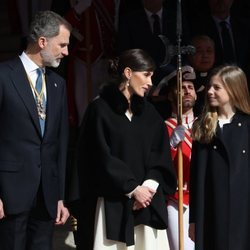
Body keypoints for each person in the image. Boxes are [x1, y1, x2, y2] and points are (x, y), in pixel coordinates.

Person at [76, 48, 177, 250]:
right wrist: (132, 189)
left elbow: (160, 155)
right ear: (128, 73)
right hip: (112, 204)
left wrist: (146, 189)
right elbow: (99, 156)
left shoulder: (150, 114)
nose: (150, 83)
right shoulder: (100, 110)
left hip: (147, 206)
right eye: (146, 75)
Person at [0, 10, 71, 250]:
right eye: (62, 44)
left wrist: (60, 195)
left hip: (47, 196)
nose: (66, 52)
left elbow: (60, 142)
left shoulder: (57, 83)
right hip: (10, 194)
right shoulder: (3, 75)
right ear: (42, 42)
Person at [189, 65, 250, 250]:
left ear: (233, 89)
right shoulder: (204, 126)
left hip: (243, 212)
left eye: (217, 88)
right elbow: (196, 178)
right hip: (211, 211)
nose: (209, 92)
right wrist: (194, 220)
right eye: (209, 87)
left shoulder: (247, 127)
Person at [160, 66, 196, 250]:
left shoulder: (205, 124)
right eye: (181, 87)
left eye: (190, 87)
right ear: (170, 95)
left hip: (202, 197)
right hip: (177, 198)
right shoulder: (162, 127)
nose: (187, 90)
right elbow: (158, 163)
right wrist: (172, 144)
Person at [188, 35, 215, 115]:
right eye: (199, 51)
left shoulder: (220, 78)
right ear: (189, 55)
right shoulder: (184, 79)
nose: (205, 56)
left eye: (209, 51)